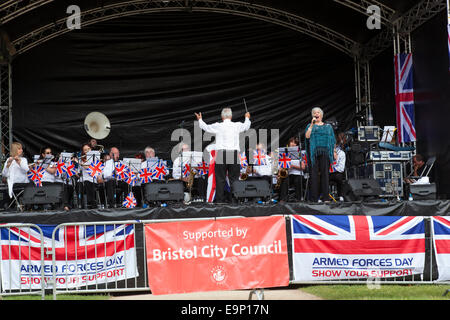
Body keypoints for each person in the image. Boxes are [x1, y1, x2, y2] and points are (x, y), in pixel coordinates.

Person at [196, 108, 251, 203]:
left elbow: (206, 127)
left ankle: (220, 202)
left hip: (221, 154)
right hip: (233, 154)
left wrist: (200, 120)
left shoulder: (218, 126)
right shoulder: (236, 125)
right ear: (231, 116)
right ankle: (234, 201)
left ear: (222, 117)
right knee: (234, 179)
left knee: (220, 179)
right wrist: (247, 117)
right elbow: (246, 126)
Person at [305, 106, 336, 202]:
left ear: (321, 115)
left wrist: (334, 152)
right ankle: (314, 198)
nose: (316, 114)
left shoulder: (328, 127)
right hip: (314, 153)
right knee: (313, 175)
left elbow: (332, 140)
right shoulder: (310, 126)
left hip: (325, 152)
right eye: (314, 113)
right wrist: (311, 125)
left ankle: (326, 198)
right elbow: (307, 136)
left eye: (318, 112)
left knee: (325, 175)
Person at [279, 137, 306, 202]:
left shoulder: (300, 154)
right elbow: (281, 166)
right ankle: (283, 199)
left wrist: (293, 166)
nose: (293, 144)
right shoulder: (285, 154)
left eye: (295, 143)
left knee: (297, 180)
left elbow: (303, 167)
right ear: (289, 143)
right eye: (292, 142)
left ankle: (298, 199)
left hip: (298, 174)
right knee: (284, 180)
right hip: (289, 174)